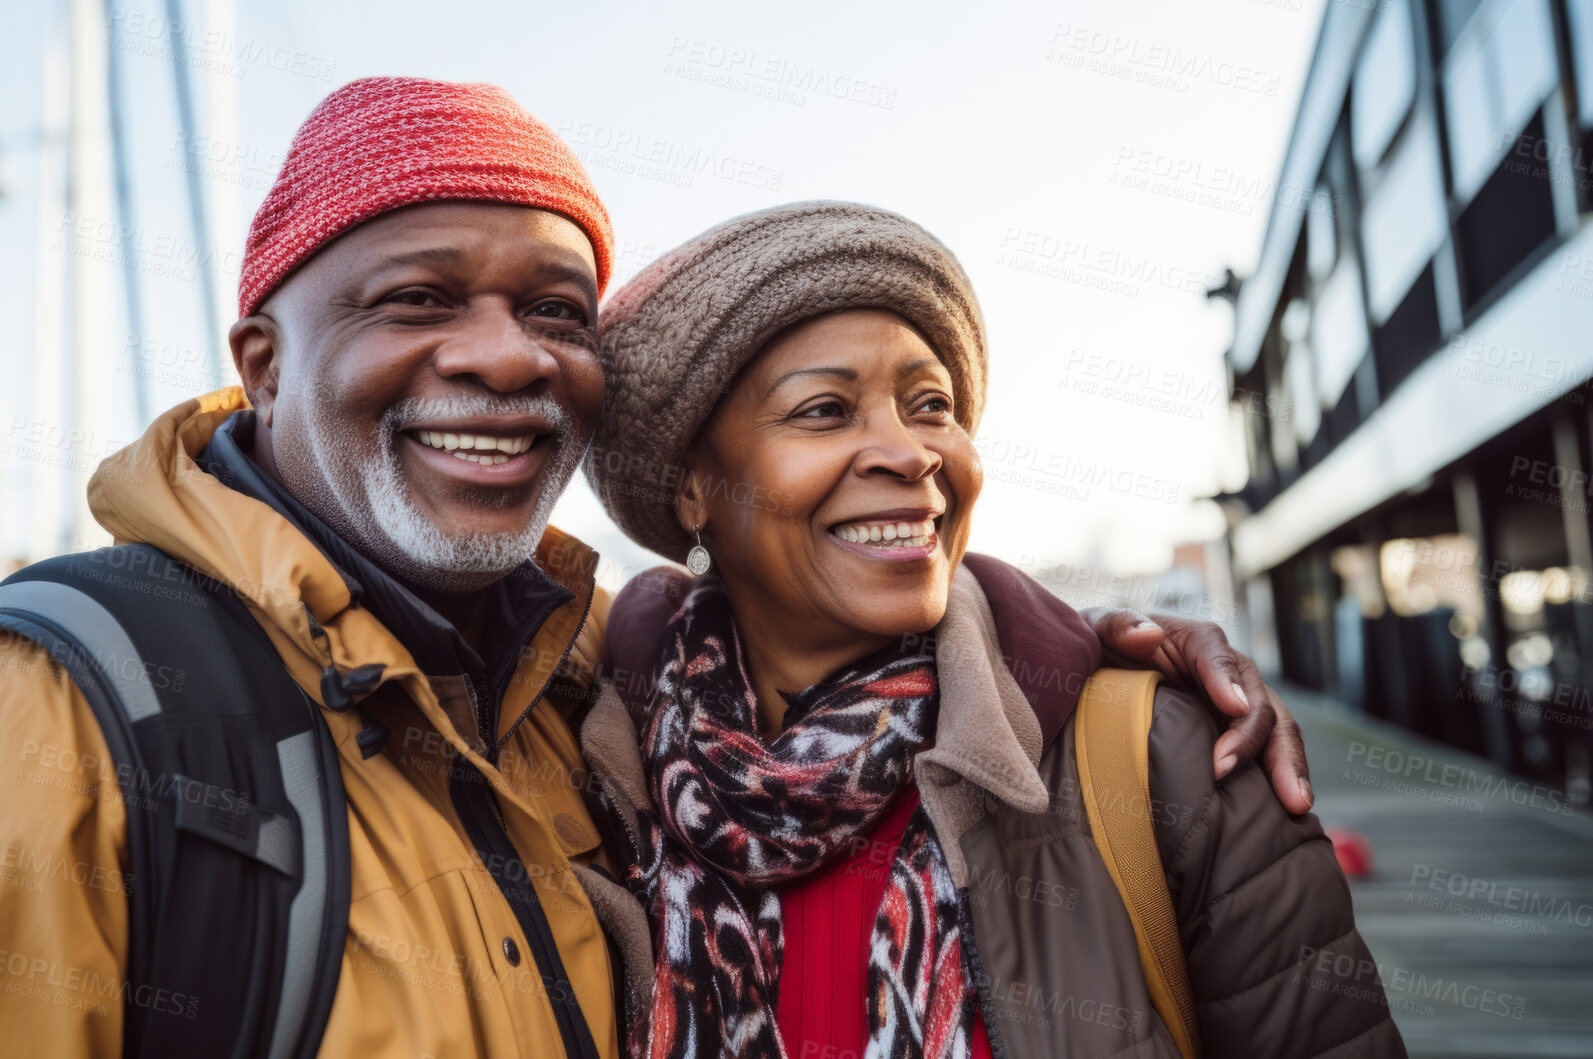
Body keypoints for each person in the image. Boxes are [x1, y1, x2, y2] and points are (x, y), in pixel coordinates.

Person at [0, 83, 1308, 1059]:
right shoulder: (43, 714)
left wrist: (1077, 649)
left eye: (555, 308)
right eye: (416, 297)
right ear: (260, 359)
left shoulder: (573, 704)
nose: (500, 357)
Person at [575, 201, 1404, 1058]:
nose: (910, 452)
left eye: (929, 403)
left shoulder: (1174, 761)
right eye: (823, 410)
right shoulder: (586, 768)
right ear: (689, 491)